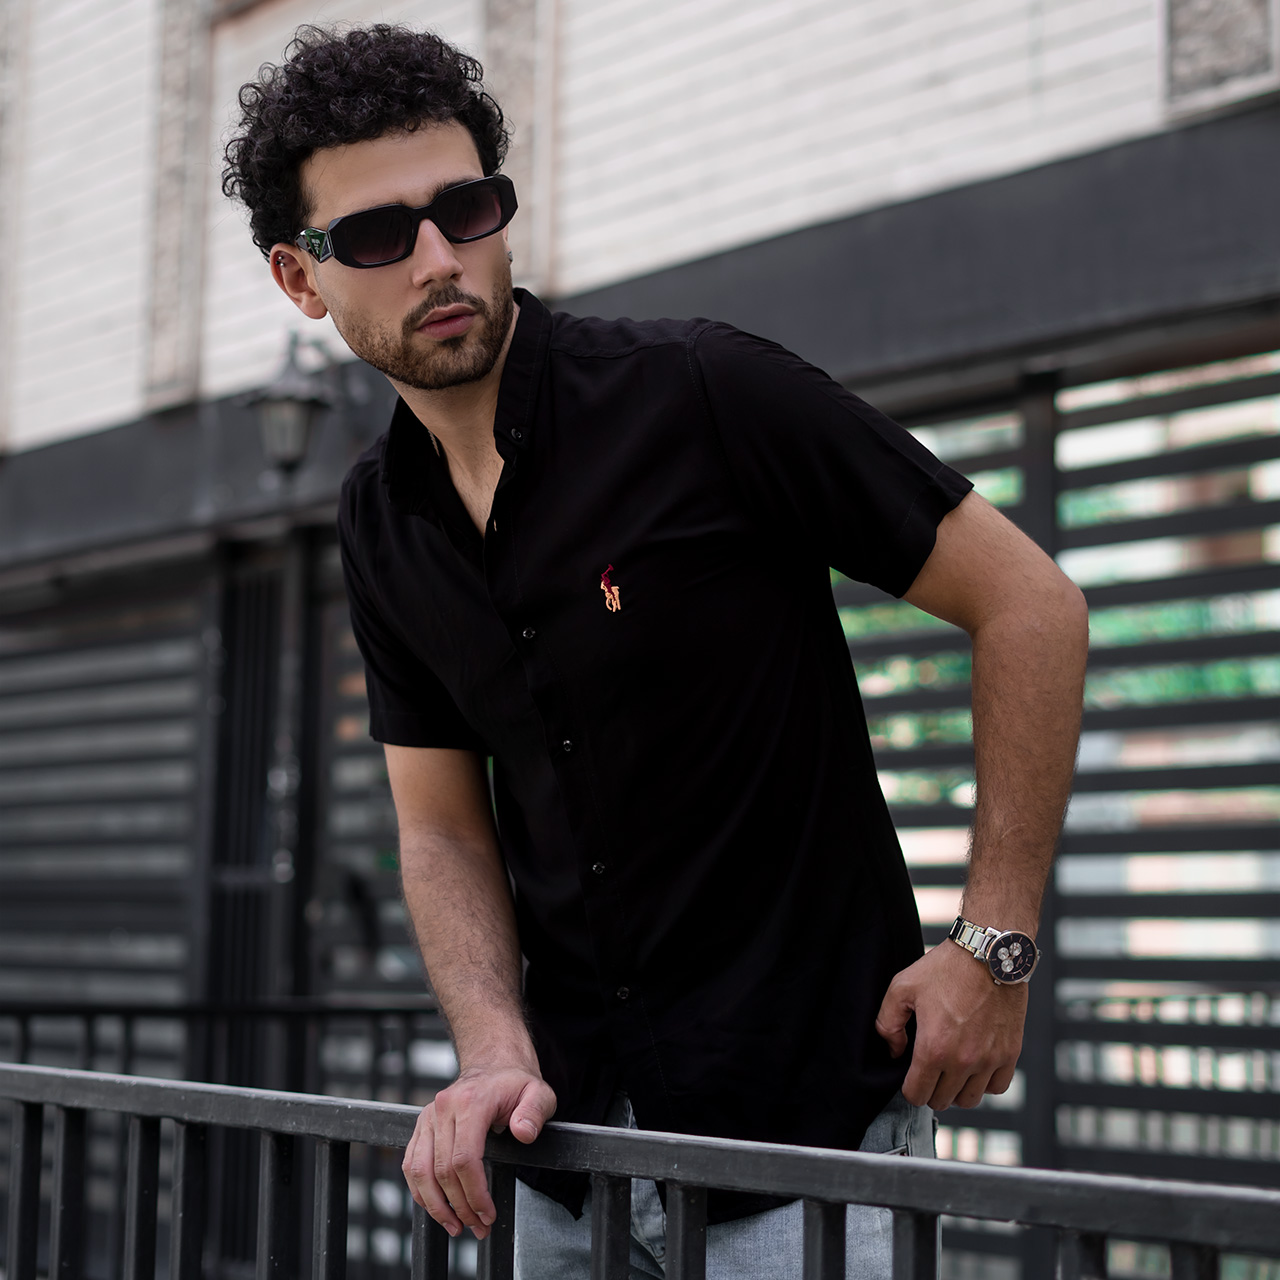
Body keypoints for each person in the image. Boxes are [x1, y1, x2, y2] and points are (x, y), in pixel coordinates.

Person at [223, 23, 1088, 1278]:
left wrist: (991, 948)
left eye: (464, 209)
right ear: (300, 279)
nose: (438, 257)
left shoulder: (701, 392)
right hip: (559, 1156)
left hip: (802, 1152)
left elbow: (1030, 606)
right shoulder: (377, 518)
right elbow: (443, 826)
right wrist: (491, 1045)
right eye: (375, 235)